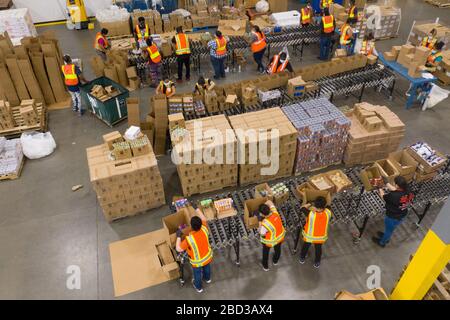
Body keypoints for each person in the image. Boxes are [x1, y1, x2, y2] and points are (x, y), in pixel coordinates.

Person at [176, 208, 212, 293]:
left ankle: (198, 287)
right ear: (200, 224)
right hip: (207, 256)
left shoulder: (190, 239)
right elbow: (204, 218)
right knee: (207, 268)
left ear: (191, 227)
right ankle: (207, 279)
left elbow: (178, 249)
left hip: (197, 262)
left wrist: (178, 236)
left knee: (197, 274)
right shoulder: (204, 228)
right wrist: (197, 209)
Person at [372, 176, 414, 248]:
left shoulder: (394, 196)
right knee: (390, 229)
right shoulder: (409, 190)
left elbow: (383, 196)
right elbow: (396, 190)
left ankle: (382, 242)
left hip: (392, 217)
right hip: (402, 214)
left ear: (397, 185)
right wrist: (387, 183)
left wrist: (379, 188)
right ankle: (385, 236)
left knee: (389, 230)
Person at [299, 196, 332, 268]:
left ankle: (302, 258)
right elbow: (328, 206)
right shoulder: (328, 212)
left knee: (305, 247)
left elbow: (302, 208)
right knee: (318, 249)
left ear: (315, 205)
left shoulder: (311, 214)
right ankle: (317, 262)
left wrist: (309, 204)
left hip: (309, 236)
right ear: (324, 205)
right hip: (320, 237)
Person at [258, 200, 286, 271]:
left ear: (262, 214)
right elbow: (269, 201)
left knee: (265, 253)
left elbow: (261, 233)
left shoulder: (265, 223)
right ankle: (275, 261)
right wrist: (264, 207)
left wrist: (260, 221)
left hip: (270, 241)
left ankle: (265, 266)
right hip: (279, 237)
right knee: (278, 250)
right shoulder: (275, 213)